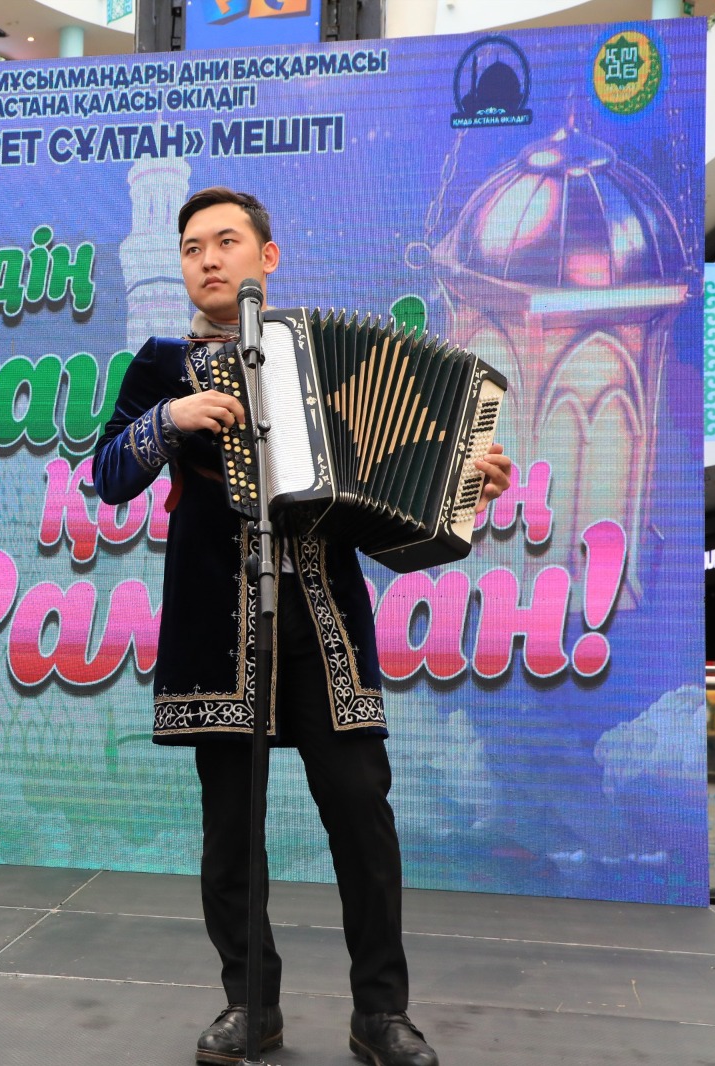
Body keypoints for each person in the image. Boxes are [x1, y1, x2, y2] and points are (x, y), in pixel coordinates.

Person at [93, 186, 512, 1066]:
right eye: (192, 247)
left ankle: (381, 1014)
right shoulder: (161, 365)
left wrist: (463, 485)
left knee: (362, 818)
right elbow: (109, 475)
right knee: (231, 834)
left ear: (267, 257)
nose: (208, 259)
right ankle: (250, 1006)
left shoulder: (322, 363)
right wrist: (169, 420)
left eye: (226, 241)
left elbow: (392, 526)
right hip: (217, 628)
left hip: (327, 627)